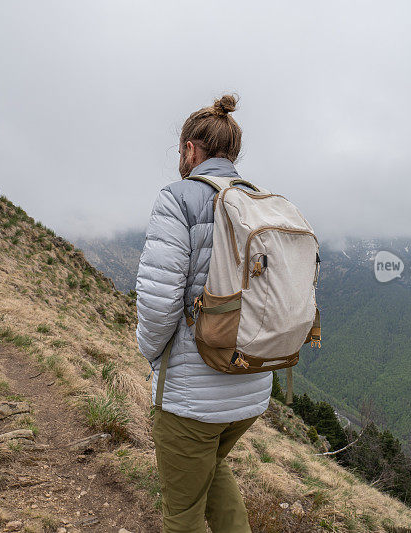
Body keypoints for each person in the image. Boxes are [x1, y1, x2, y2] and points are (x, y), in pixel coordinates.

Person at [135, 94, 271, 532]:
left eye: (181, 152)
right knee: (210, 469)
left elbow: (158, 302)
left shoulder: (178, 199)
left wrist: (151, 354)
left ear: (191, 149)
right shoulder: (263, 203)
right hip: (251, 385)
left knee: (182, 514)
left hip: (192, 394)